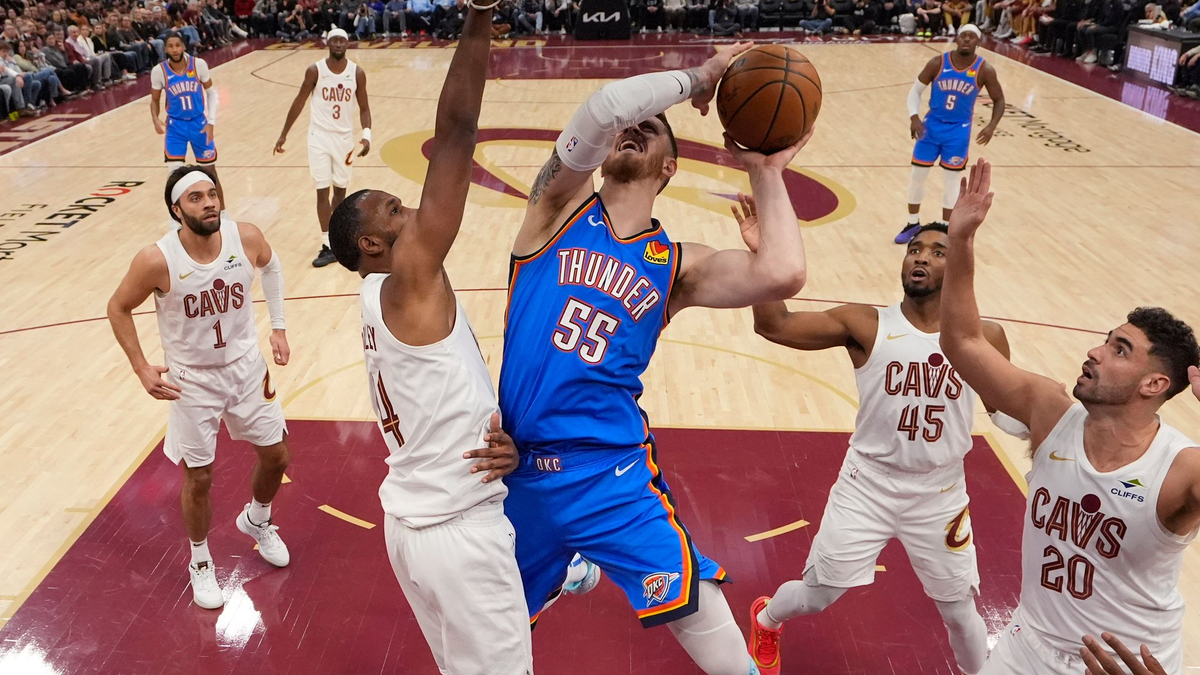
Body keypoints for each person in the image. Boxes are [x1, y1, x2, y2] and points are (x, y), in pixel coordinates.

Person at [498, 41, 812, 675]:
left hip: (608, 471)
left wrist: (765, 171)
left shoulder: (677, 265)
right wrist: (697, 80)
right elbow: (603, 108)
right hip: (514, 471)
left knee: (703, 618)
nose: (637, 126)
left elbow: (782, 271)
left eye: (655, 129)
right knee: (488, 642)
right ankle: (571, 567)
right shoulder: (554, 211)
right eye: (633, 123)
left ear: (669, 168)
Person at [324, 4, 538, 672]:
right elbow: (456, 133)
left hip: (415, 525)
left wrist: (487, 427)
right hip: (457, 533)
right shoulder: (410, 277)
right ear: (374, 244)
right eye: (396, 210)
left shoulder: (370, 291)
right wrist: (478, 16)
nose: (412, 209)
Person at [939, 160, 1200, 675]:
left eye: (1119, 350)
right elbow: (963, 342)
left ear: (1154, 385)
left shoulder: (1179, 470)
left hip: (1126, 665)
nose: (1095, 352)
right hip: (1027, 644)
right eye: (1105, 339)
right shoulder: (1049, 412)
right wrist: (961, 241)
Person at [742, 204, 1014, 675]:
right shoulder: (866, 324)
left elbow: (1004, 412)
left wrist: (1048, 435)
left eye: (937, 251)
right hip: (867, 485)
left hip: (941, 493)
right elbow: (774, 325)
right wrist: (764, 258)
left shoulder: (986, 337)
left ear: (961, 264)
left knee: (959, 610)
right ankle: (766, 618)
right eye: (914, 249)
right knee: (819, 594)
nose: (920, 258)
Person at [106, 166, 293, 610]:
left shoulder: (244, 237)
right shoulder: (156, 259)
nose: (209, 202)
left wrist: (279, 328)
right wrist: (140, 367)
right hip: (193, 380)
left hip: (246, 368)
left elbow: (272, 265)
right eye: (196, 198)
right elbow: (118, 307)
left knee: (277, 456)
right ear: (177, 209)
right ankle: (200, 560)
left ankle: (257, 519)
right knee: (199, 477)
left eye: (212, 194)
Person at [897, 25, 1004, 244]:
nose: (967, 39)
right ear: (956, 38)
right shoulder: (938, 63)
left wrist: (992, 126)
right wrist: (914, 117)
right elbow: (915, 91)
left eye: (972, 37)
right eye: (963, 35)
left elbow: (999, 100)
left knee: (952, 181)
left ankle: (946, 228)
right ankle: (912, 222)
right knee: (917, 176)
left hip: (958, 131)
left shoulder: (985, 70)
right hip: (931, 126)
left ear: (978, 42)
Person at [274, 28, 371, 268]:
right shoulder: (315, 70)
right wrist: (284, 134)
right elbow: (299, 102)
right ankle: (328, 244)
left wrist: (366, 135)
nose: (338, 44)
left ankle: (338, 240)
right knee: (321, 190)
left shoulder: (356, 73)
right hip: (318, 138)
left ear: (347, 44)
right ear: (327, 43)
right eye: (334, 40)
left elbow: (365, 107)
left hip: (345, 141)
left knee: (340, 191)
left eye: (342, 40)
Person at [151, 31, 221, 203]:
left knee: (210, 172)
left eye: (177, 45)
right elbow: (154, 100)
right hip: (176, 127)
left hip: (199, 123)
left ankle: (223, 213)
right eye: (170, 46)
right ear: (166, 49)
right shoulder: (159, 71)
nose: (174, 49)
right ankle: (175, 219)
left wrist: (211, 122)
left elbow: (211, 94)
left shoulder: (198, 64)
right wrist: (155, 119)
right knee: (174, 175)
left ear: (183, 46)